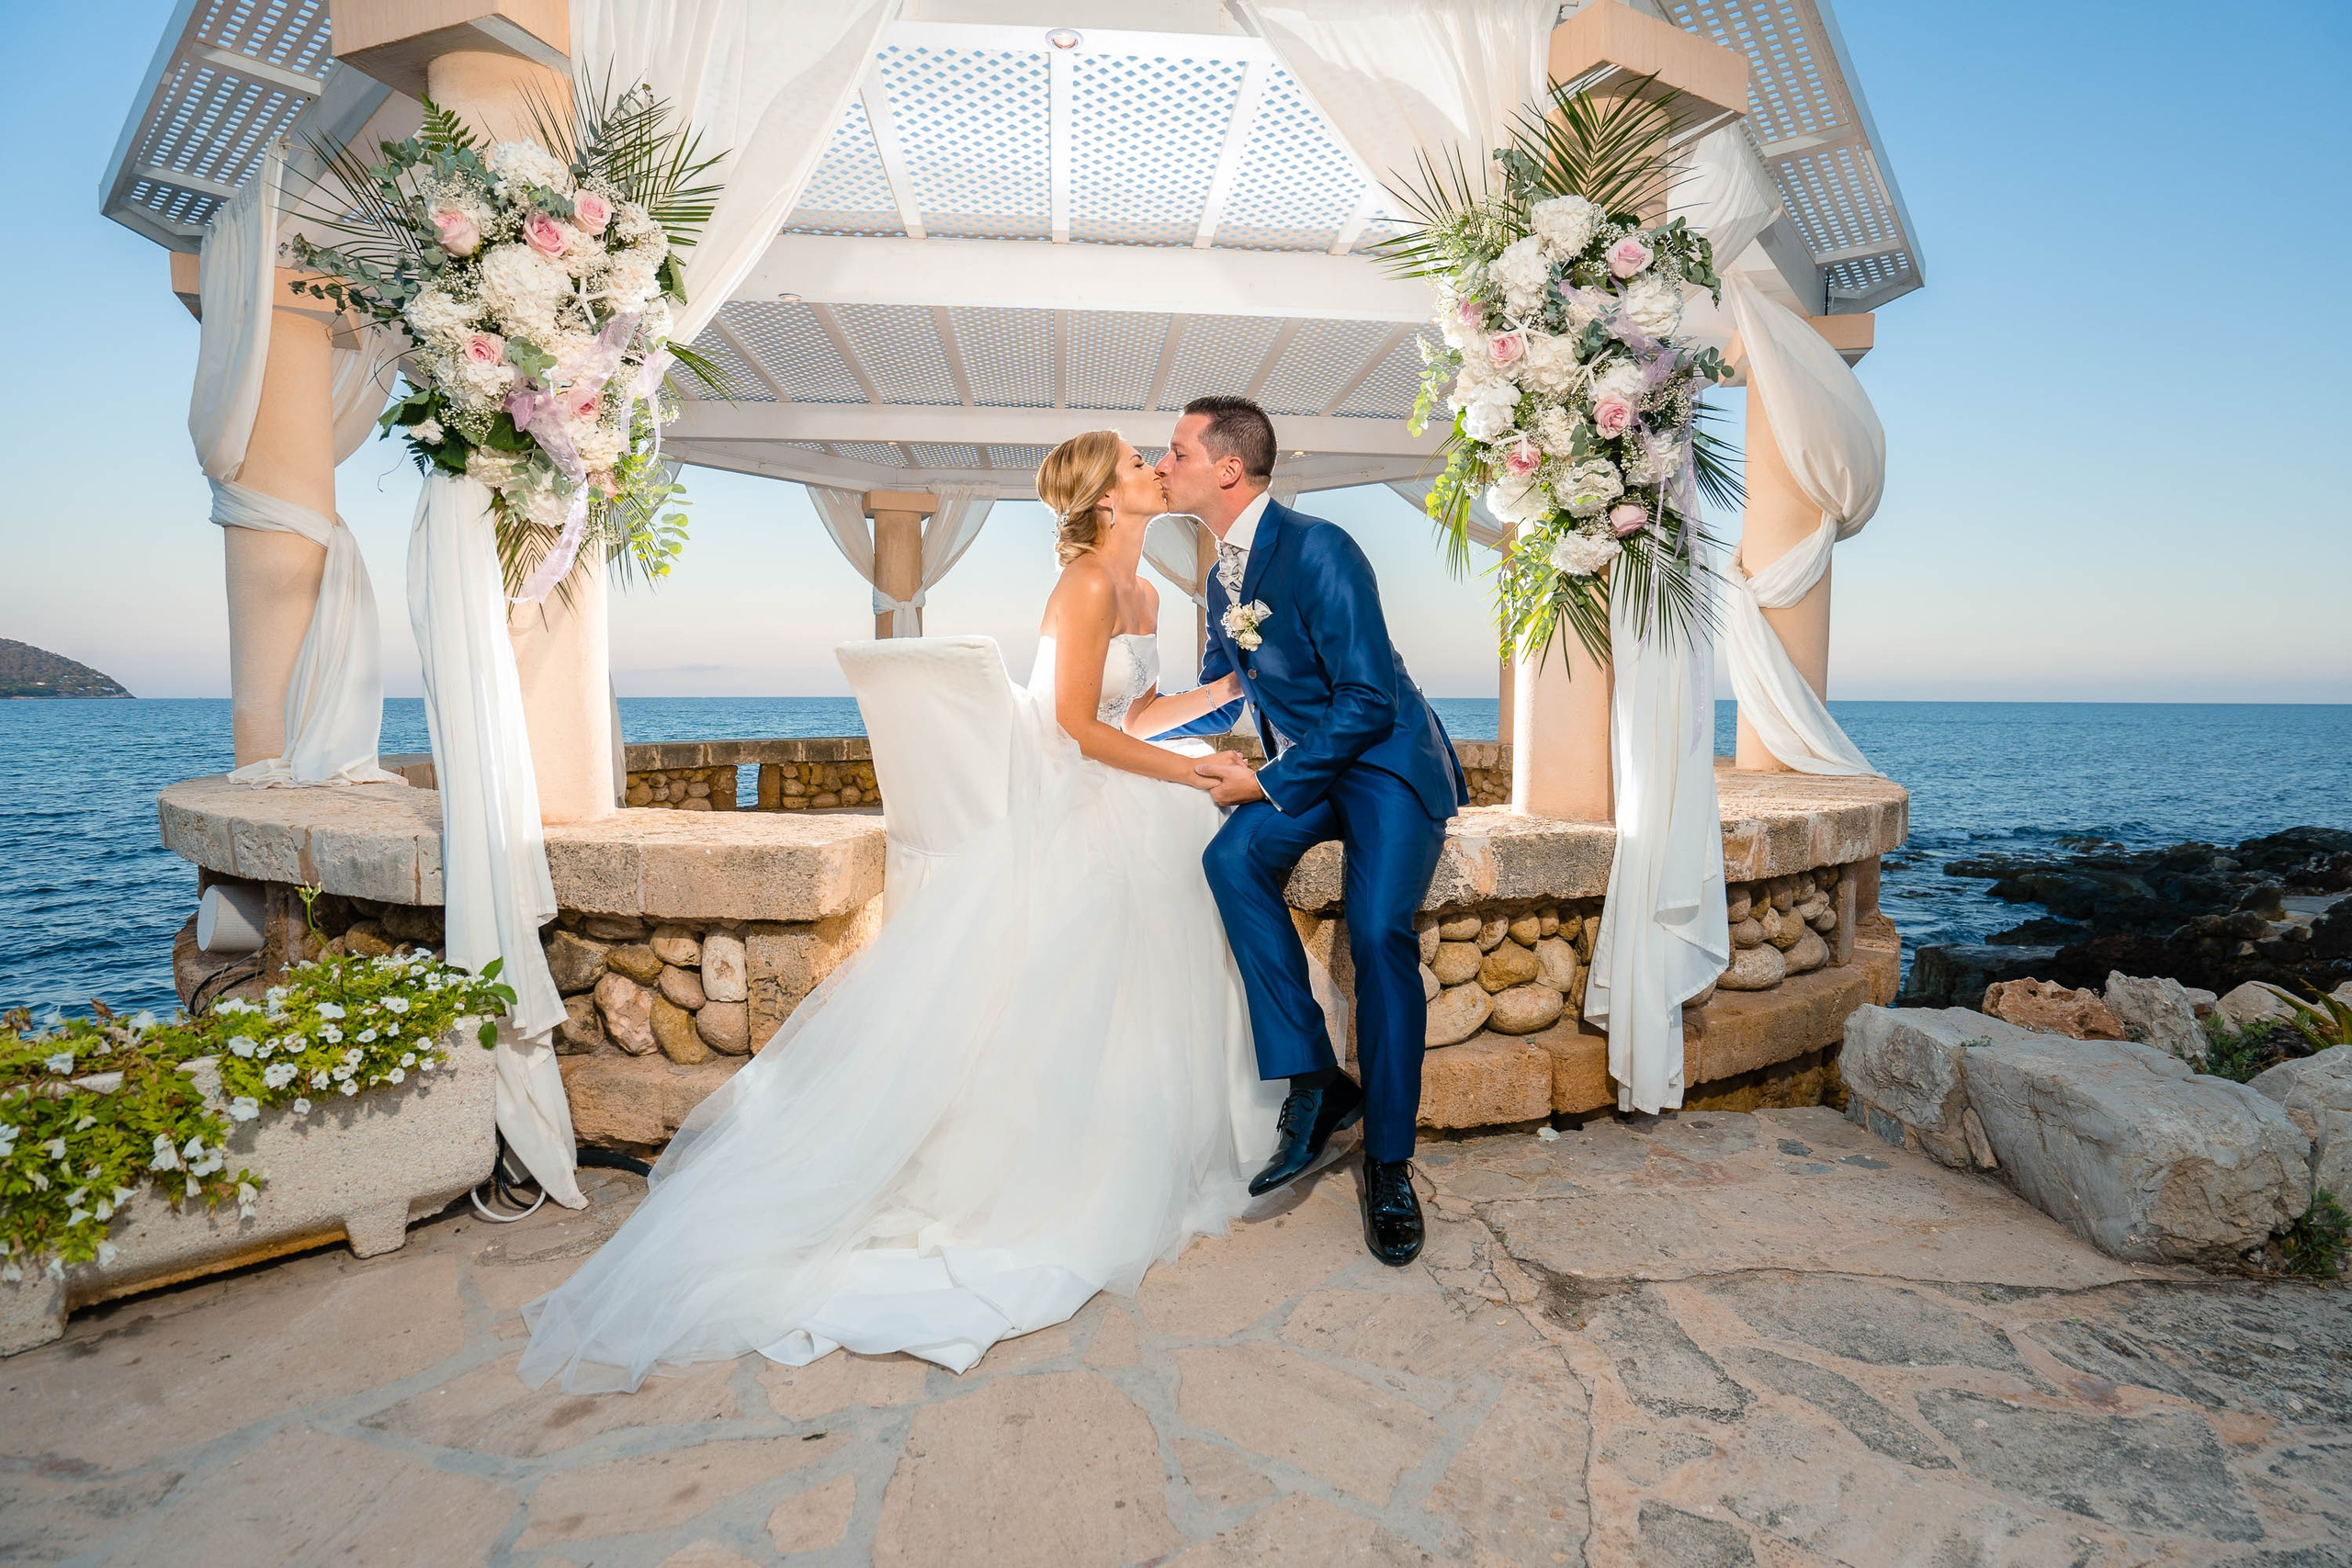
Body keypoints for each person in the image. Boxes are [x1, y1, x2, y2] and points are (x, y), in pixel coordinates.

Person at [516, 431, 1282, 1392]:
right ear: (1103, 500)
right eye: (1137, 465)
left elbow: (1130, 714)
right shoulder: (1086, 586)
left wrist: (1218, 695)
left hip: (1122, 790)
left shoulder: (1146, 592)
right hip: (1079, 807)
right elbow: (1077, 732)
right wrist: (1193, 771)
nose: (1154, 470)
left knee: (1185, 899)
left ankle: (1164, 1137)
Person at [1156, 396, 1468, 1267]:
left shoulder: (1322, 548)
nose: (1162, 462)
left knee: (1376, 929)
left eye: (1174, 449)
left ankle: (1391, 1163)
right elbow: (1221, 690)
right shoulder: (1223, 572)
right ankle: (1317, 1079)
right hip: (1311, 770)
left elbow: (1369, 699)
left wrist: (1266, 778)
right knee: (1232, 857)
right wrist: (1110, 739)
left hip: (1386, 764)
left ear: (1227, 466)